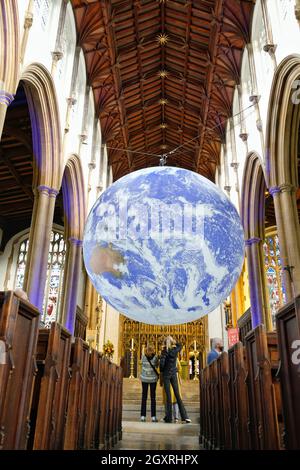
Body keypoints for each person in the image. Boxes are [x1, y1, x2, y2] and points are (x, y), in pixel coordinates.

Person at [160, 336, 191, 423]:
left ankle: (169, 417)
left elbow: (162, 364)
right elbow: (180, 345)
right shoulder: (175, 350)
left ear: (165, 343)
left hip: (166, 374)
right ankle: (185, 417)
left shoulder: (164, 351)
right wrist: (173, 342)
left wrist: (162, 369)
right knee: (177, 395)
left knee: (168, 396)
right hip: (174, 374)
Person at [140, 344, 159, 422]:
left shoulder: (143, 357)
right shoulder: (155, 357)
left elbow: (142, 364)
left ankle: (143, 416)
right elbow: (157, 366)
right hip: (153, 379)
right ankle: (153, 416)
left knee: (144, 397)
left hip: (144, 378)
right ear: (153, 350)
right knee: (153, 398)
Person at [162, 357, 182, 422]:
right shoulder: (176, 358)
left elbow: (161, 369)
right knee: (175, 399)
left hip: (167, 378)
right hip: (174, 378)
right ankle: (176, 417)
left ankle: (168, 416)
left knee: (167, 399)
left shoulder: (164, 358)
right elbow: (180, 369)